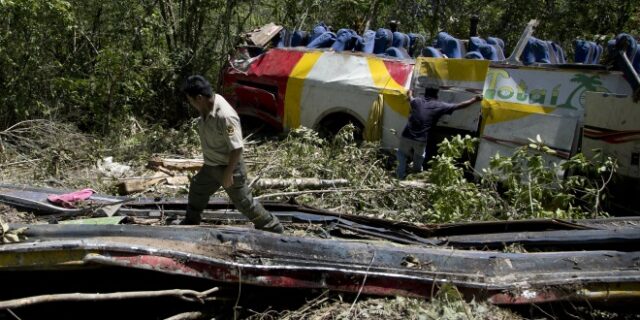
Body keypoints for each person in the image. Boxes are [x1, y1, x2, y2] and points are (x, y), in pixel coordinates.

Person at [181, 75, 284, 233]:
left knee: (244, 202)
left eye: (191, 100)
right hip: (211, 166)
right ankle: (191, 220)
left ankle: (273, 227)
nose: (191, 103)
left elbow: (237, 148)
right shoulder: (206, 107)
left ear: (199, 98)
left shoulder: (226, 116)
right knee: (197, 188)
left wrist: (228, 174)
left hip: (229, 167)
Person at [396, 88, 482, 179]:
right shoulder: (439, 106)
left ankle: (399, 176)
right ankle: (415, 175)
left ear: (425, 94)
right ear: (437, 96)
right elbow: (458, 106)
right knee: (418, 157)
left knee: (401, 154)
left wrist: (410, 91)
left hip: (406, 135)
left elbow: (410, 97)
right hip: (420, 140)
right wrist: (474, 100)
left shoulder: (416, 101)